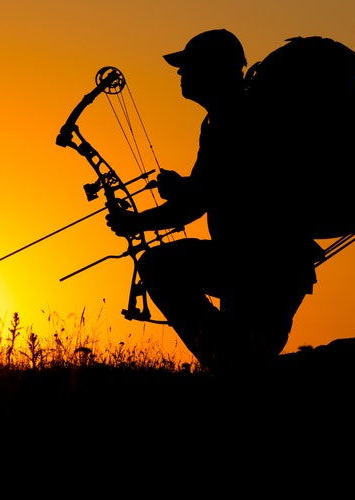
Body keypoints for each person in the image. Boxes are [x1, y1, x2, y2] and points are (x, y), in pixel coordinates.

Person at [106, 29, 323, 374]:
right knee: (246, 365)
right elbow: (220, 188)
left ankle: (352, 359)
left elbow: (199, 201)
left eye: (187, 66)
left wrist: (137, 222)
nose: (180, 73)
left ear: (212, 69)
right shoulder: (223, 119)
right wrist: (184, 188)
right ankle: (351, 360)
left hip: (261, 265)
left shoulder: (237, 118)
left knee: (159, 267)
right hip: (260, 265)